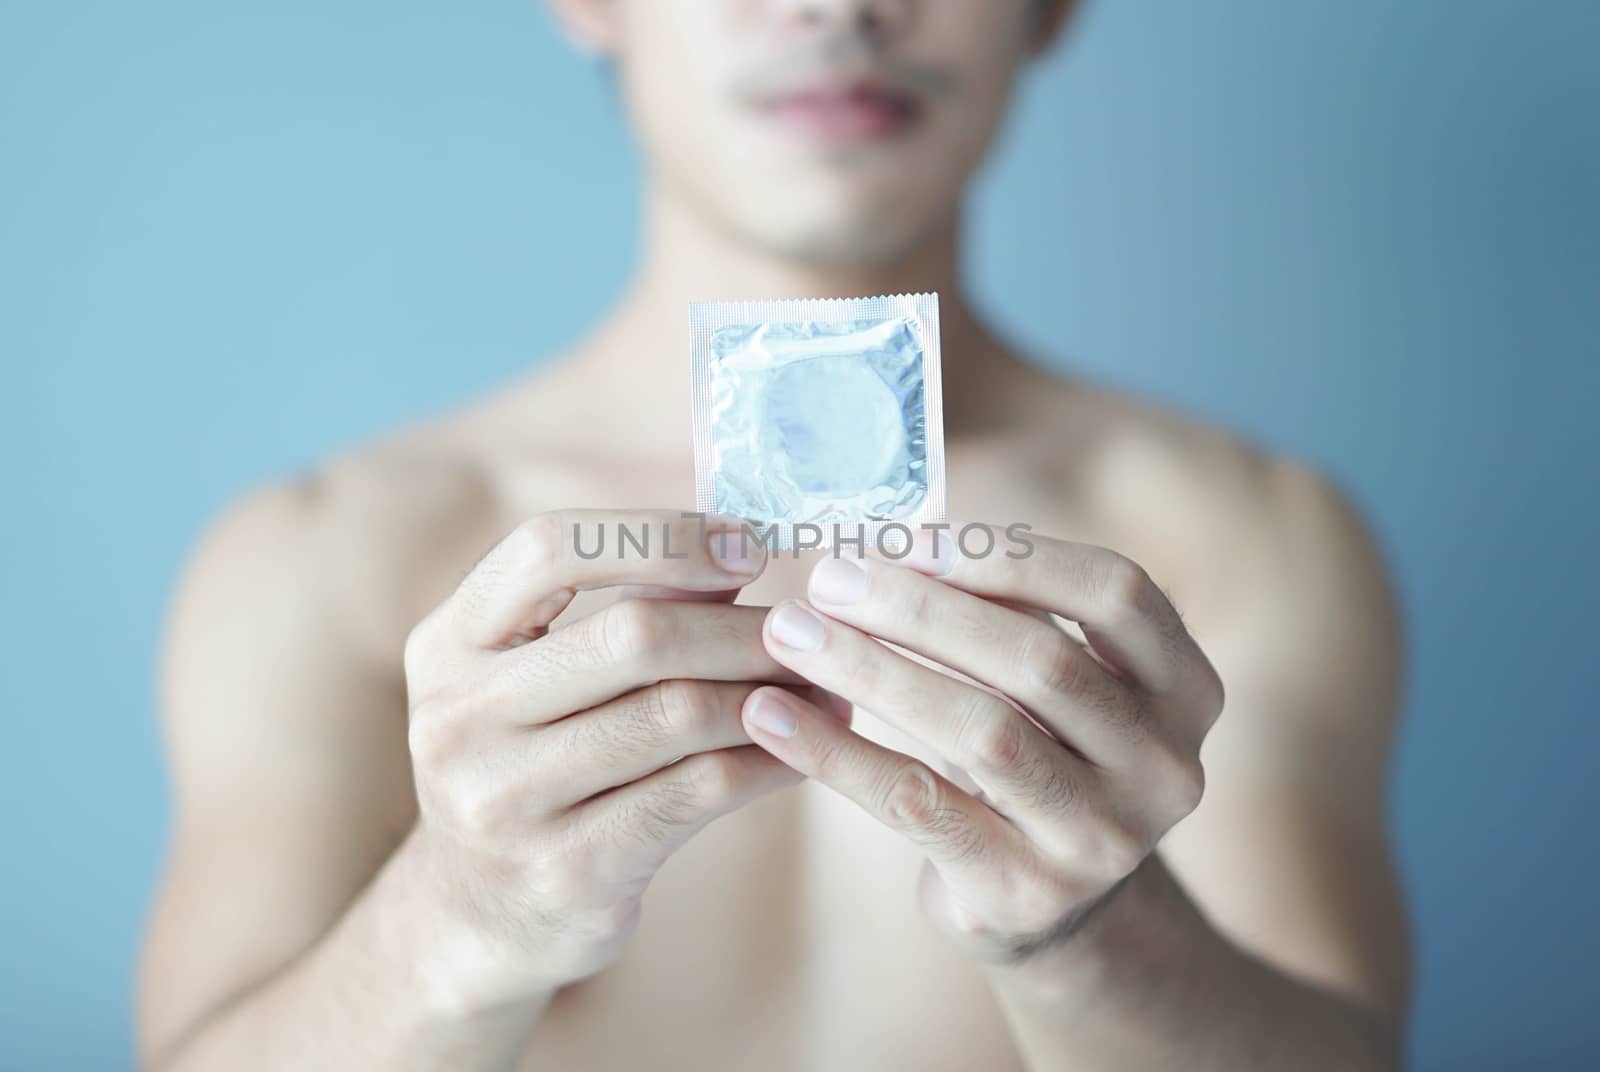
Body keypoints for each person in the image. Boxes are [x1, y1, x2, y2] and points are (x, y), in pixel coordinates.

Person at [137, 2, 1410, 1068]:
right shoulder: (324, 558)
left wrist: (1087, 932)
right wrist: (460, 914)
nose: (838, 10)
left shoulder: (1251, 538)